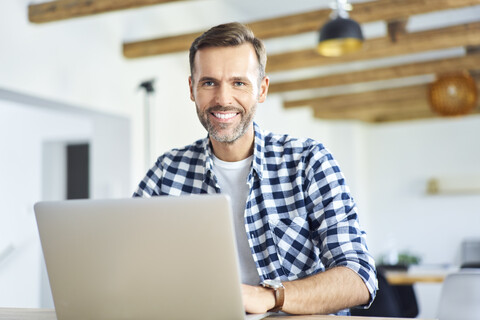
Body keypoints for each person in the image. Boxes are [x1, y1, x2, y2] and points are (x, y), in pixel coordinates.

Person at [133, 22, 377, 315]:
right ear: (192, 89)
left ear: (261, 89)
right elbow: (126, 265)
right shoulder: (166, 172)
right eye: (209, 82)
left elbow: (359, 277)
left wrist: (273, 296)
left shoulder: (308, 161)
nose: (223, 99)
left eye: (239, 83)